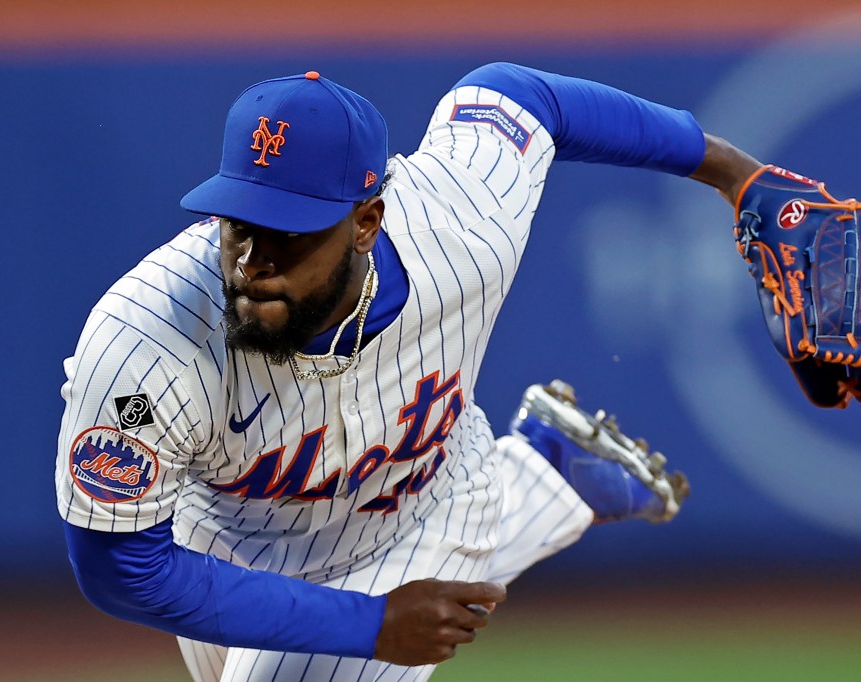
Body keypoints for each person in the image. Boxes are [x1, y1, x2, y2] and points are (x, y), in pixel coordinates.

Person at [55, 62, 760, 681]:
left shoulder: (458, 221)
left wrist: (733, 171)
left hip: (421, 508)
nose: (251, 262)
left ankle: (528, 483)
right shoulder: (145, 338)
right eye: (239, 222)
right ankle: (550, 476)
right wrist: (366, 626)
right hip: (230, 539)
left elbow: (524, 97)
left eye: (289, 234)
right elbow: (123, 571)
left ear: (367, 222)